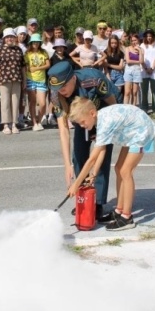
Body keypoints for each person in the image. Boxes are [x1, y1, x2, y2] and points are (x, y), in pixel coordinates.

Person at [66, 98, 155, 231]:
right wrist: (94, 174)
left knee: (126, 171)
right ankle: (118, 211)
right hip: (131, 131)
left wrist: (76, 184)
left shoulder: (105, 122)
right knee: (118, 168)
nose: (81, 126)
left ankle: (127, 217)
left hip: (141, 131)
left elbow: (92, 158)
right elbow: (101, 150)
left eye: (82, 122)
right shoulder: (100, 121)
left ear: (92, 113)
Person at [48, 60, 117, 222]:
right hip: (82, 117)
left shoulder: (93, 80)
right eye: (57, 88)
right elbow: (64, 130)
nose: (61, 91)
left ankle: (98, 202)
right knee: (78, 155)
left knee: (101, 157)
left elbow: (113, 105)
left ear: (72, 79)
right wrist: (67, 166)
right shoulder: (56, 94)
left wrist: (104, 129)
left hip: (104, 113)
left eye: (63, 87)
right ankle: (83, 197)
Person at [0, 27, 26, 135]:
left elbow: (23, 67)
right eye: (7, 37)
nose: (9, 39)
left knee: (15, 102)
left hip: (17, 78)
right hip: (4, 79)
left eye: (11, 37)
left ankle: (14, 124)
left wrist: (24, 80)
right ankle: (6, 124)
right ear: (4, 39)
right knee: (5, 102)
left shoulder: (19, 50)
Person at [25, 33, 50, 131]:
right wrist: (30, 69)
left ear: (40, 43)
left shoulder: (44, 52)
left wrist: (37, 68)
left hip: (41, 80)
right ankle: (34, 122)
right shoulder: (27, 53)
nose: (35, 43)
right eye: (34, 42)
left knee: (43, 103)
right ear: (31, 43)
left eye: (37, 42)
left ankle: (39, 121)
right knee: (32, 102)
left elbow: (48, 64)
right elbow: (26, 66)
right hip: (30, 79)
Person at [140, 29, 155, 114]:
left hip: (154, 70)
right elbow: (141, 58)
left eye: (150, 36)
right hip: (144, 70)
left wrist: (152, 68)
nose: (149, 38)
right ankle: (144, 107)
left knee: (154, 90)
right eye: (147, 36)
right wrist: (146, 68)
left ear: (153, 36)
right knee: (144, 90)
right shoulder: (142, 45)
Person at [122, 33, 144, 107]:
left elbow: (142, 61)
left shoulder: (141, 49)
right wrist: (138, 62)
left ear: (138, 40)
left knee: (135, 92)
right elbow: (128, 61)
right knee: (127, 92)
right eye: (132, 40)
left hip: (137, 70)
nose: (133, 42)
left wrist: (140, 51)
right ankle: (125, 107)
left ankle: (133, 107)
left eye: (135, 40)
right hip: (128, 70)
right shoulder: (127, 48)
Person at [104, 35, 125, 103]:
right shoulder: (106, 52)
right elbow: (105, 66)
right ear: (109, 43)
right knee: (110, 94)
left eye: (115, 43)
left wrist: (109, 65)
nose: (114, 45)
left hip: (119, 75)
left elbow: (120, 67)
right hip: (109, 74)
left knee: (118, 94)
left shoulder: (120, 53)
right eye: (112, 43)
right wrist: (108, 77)